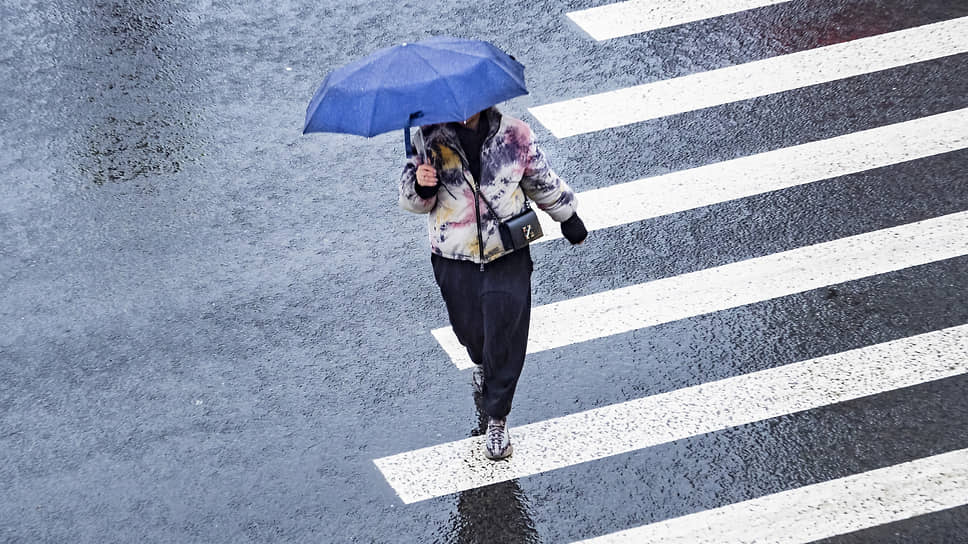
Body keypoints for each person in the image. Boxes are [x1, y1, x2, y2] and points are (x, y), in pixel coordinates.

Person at [399, 106, 587, 460]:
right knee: (473, 334)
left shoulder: (515, 134)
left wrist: (568, 216)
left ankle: (497, 418)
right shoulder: (426, 138)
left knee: (504, 333)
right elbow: (410, 201)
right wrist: (421, 186)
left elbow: (541, 179)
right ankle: (482, 363)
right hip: (455, 257)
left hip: (507, 254)